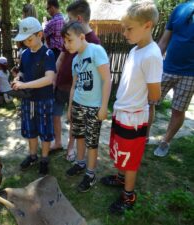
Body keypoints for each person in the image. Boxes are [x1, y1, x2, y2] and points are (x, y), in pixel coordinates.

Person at [100, 2, 162, 214]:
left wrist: (138, 104)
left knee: (131, 159)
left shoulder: (152, 54)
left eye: (129, 28)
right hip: (122, 112)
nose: (124, 32)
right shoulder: (136, 49)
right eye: (123, 27)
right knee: (120, 151)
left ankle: (129, 195)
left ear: (147, 25)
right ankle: (120, 178)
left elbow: (155, 94)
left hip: (134, 117)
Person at [62, 21, 111, 192]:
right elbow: (74, 86)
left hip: (94, 107)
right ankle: (80, 163)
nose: (66, 45)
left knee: (92, 142)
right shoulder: (75, 59)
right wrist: (70, 108)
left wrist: (104, 106)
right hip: (77, 105)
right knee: (79, 136)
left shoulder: (97, 51)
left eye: (69, 41)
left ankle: (90, 174)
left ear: (82, 37)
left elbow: (107, 80)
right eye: (65, 41)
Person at [51, 0, 101, 162]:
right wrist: (54, 76)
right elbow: (62, 57)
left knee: (74, 118)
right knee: (55, 114)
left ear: (78, 19)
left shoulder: (94, 41)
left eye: (69, 18)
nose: (66, 21)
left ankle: (71, 147)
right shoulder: (70, 34)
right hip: (61, 83)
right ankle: (58, 142)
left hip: (77, 88)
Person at [12, 17, 56, 175]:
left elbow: (49, 79)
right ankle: (32, 156)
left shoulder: (48, 54)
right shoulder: (24, 54)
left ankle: (44, 158)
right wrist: (18, 79)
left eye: (29, 39)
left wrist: (24, 85)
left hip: (44, 100)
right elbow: (23, 71)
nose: (27, 43)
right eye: (24, 40)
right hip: (28, 99)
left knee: (45, 131)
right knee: (30, 129)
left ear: (40, 34)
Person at [152, 1, 194, 157]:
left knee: (178, 110)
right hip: (167, 68)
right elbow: (164, 40)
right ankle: (143, 135)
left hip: (191, 74)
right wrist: (153, 63)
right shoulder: (180, 9)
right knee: (150, 102)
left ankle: (165, 141)